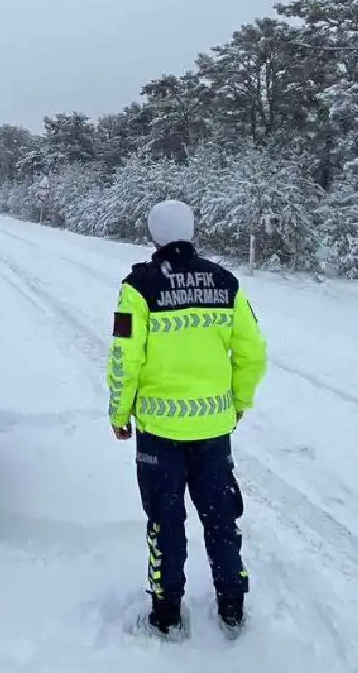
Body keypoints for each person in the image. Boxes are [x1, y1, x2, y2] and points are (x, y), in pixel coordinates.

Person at [106, 199, 268, 636]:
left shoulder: (138, 287)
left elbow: (124, 358)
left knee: (165, 520)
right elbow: (253, 353)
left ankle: (165, 614)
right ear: (191, 231)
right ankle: (232, 605)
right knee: (221, 518)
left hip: (158, 432)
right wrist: (238, 402)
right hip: (213, 429)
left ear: (153, 234)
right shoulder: (225, 282)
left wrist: (119, 412)